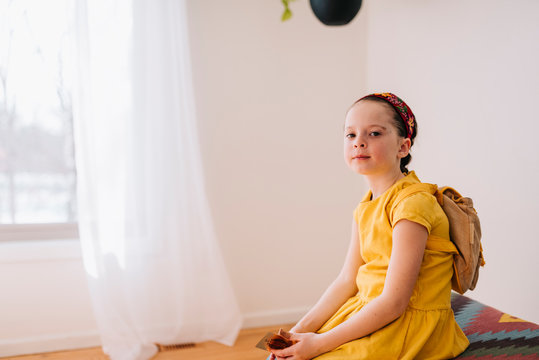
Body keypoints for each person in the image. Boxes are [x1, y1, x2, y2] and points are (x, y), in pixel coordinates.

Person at [268, 93, 469, 360]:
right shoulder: (366, 205)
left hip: (405, 323)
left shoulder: (412, 205)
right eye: (350, 135)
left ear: (403, 147)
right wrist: (296, 333)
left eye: (374, 133)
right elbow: (346, 281)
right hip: (370, 310)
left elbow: (395, 303)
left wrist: (319, 344)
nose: (359, 142)